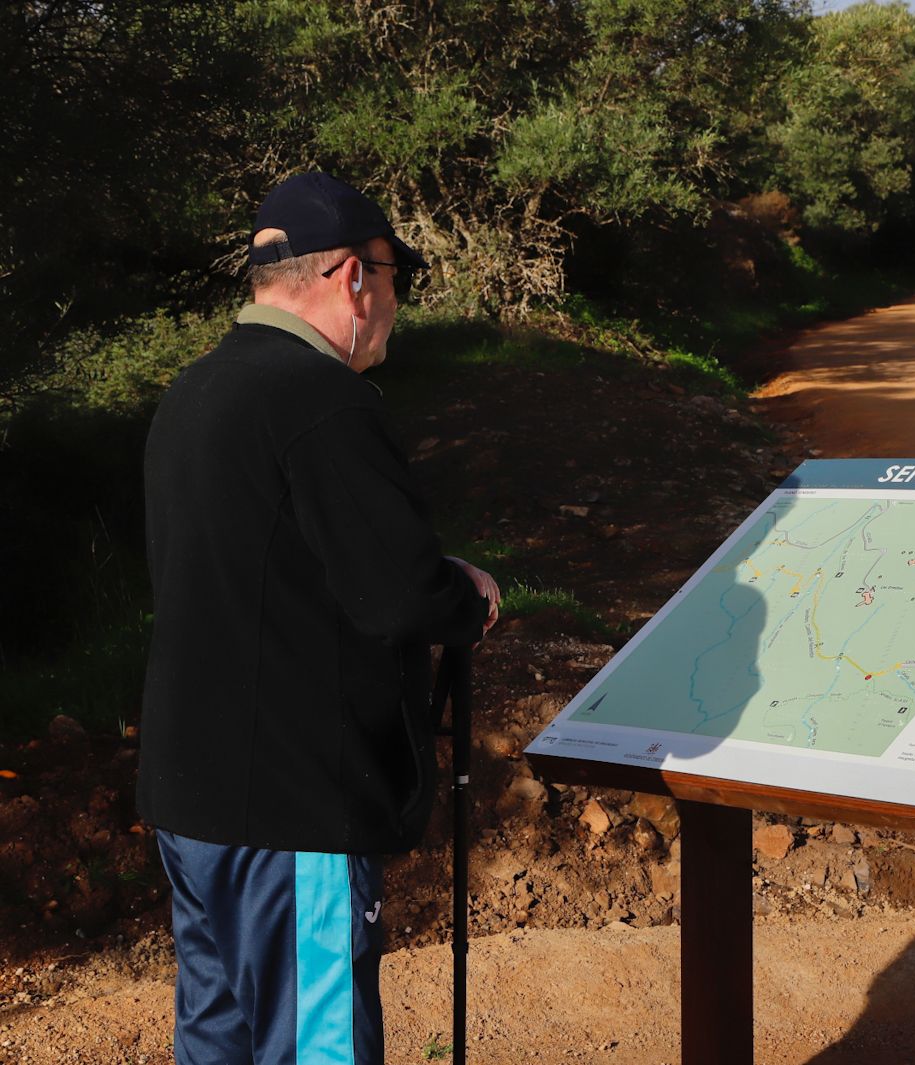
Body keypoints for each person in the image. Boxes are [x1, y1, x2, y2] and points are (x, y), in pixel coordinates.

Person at [138, 172, 500, 1065]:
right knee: (314, 1048)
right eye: (393, 279)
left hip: (194, 803)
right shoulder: (324, 399)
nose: (394, 305)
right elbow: (399, 594)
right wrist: (470, 599)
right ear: (351, 277)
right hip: (290, 812)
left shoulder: (193, 392)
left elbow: (271, 565)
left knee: (219, 1039)